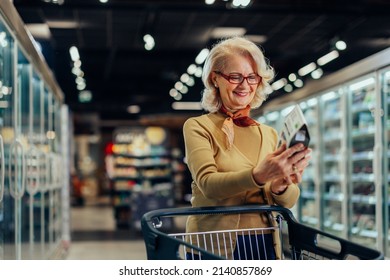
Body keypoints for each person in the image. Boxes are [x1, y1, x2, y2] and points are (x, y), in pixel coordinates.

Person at [182, 36, 311, 260]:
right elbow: (208, 184)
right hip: (213, 244)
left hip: (264, 242)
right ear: (215, 79)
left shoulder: (268, 133)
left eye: (252, 77)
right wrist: (258, 175)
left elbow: (288, 201)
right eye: (235, 76)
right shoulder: (198, 127)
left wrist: (281, 186)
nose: (245, 85)